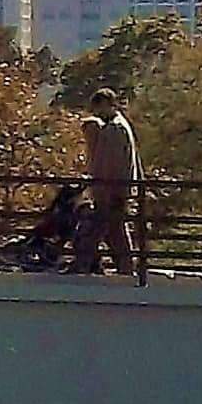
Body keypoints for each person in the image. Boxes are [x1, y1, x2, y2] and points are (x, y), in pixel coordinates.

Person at [72, 90, 141, 275]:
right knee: (114, 231)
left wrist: (107, 190)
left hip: (111, 190)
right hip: (114, 189)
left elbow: (110, 164)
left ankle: (85, 265)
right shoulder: (118, 127)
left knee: (102, 229)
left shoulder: (114, 130)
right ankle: (126, 269)